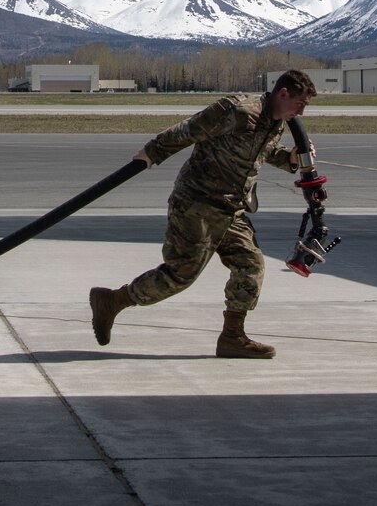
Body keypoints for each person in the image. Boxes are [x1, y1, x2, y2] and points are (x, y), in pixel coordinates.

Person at [89, 69, 317, 359]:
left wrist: (291, 158)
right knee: (179, 276)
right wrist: (152, 153)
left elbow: (263, 151)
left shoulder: (275, 122)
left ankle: (233, 337)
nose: (302, 112)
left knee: (251, 265)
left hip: (230, 210)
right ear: (283, 93)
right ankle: (112, 300)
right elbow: (190, 129)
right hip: (196, 205)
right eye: (301, 104)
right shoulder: (237, 110)